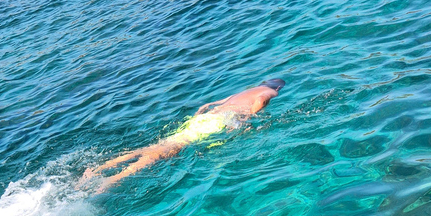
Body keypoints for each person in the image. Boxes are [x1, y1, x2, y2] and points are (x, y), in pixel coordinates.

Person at [78, 79, 285, 192]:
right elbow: (262, 100)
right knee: (167, 151)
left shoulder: (244, 91)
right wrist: (247, 117)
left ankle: (98, 169)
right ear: (276, 87)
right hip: (213, 123)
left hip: (203, 119)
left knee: (162, 144)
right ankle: (112, 180)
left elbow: (207, 105)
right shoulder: (270, 91)